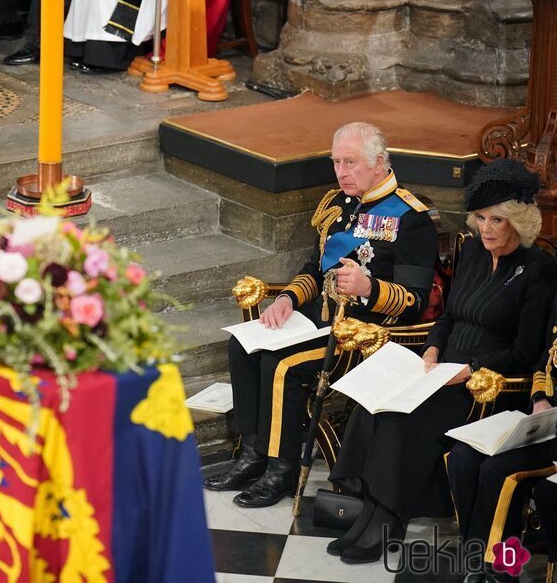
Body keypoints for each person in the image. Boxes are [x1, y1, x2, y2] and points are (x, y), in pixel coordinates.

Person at [328, 158, 556, 565]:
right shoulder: (470, 254)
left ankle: (389, 519)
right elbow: (448, 316)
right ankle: (371, 510)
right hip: (441, 368)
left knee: (402, 419)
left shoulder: (538, 270)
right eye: (480, 218)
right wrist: (432, 349)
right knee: (372, 405)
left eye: (497, 220)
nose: (485, 229)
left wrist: (467, 368)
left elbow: (525, 351)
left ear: (519, 222)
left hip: (486, 385)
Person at [204, 122, 439, 508]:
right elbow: (315, 268)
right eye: (336, 162)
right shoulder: (338, 204)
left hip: (360, 335)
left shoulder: (410, 218)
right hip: (316, 319)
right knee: (242, 346)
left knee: (283, 366)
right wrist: (289, 300)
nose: (341, 172)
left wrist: (369, 289)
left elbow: (415, 300)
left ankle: (281, 470)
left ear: (379, 163)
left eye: (350, 163)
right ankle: (252, 456)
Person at [447, 292, 557, 583]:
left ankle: (502, 569)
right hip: (545, 421)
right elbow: (544, 362)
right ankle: (475, 554)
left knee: (497, 470)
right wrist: (540, 400)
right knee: (462, 457)